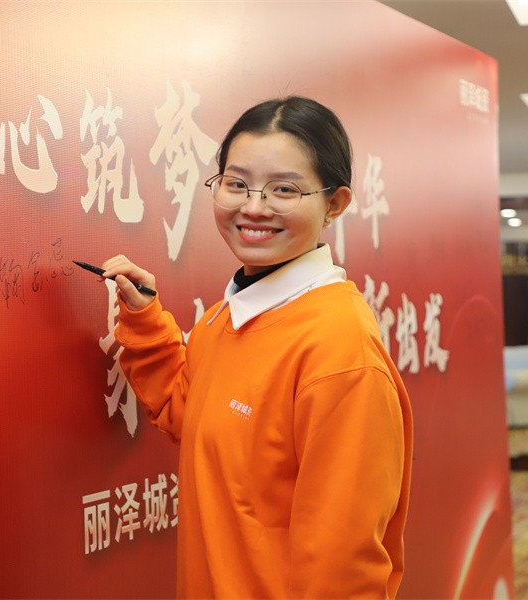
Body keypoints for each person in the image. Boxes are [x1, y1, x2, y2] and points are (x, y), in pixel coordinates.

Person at [100, 97, 413, 599]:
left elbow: (342, 570)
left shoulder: (340, 352)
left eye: (284, 189)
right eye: (236, 183)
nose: (253, 207)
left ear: (335, 204)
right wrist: (145, 319)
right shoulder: (226, 317)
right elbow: (189, 412)